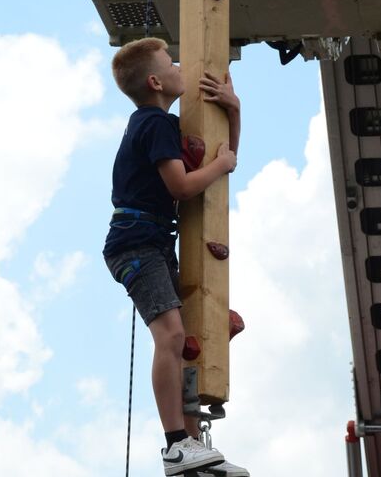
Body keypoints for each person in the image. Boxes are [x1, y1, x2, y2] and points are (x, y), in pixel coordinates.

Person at [103, 37, 248, 476]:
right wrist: (220, 166)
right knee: (169, 337)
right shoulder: (155, 124)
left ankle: (194, 452)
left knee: (184, 340)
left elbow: (225, 159)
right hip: (136, 243)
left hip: (152, 241)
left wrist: (233, 110)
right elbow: (185, 187)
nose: (179, 66)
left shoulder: (155, 125)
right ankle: (175, 445)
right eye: (171, 62)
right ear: (155, 81)